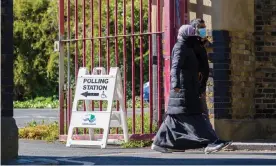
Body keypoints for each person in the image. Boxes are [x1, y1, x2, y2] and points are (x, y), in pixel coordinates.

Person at [151, 24, 227, 154]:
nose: (194, 38)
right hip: (183, 90)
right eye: (192, 36)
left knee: (173, 118)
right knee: (195, 116)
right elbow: (175, 67)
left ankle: (158, 142)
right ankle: (210, 142)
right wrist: (176, 84)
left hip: (189, 87)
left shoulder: (188, 47)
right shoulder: (180, 47)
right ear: (186, 36)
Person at [190, 18, 232, 153]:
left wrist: (204, 41)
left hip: (200, 83)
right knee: (202, 113)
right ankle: (211, 140)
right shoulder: (191, 45)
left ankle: (208, 140)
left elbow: (211, 53)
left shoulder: (201, 43)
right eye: (201, 27)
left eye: (204, 27)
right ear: (195, 29)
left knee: (198, 113)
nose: (203, 29)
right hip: (195, 84)